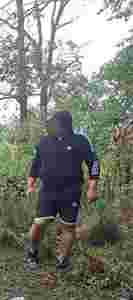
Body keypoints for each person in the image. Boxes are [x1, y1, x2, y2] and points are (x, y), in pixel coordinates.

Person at [25, 111, 100, 272]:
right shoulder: (44, 142)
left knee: (68, 227)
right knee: (40, 223)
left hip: (71, 190)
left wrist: (92, 188)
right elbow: (35, 164)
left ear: (65, 125)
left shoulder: (80, 140)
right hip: (48, 190)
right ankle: (32, 254)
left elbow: (94, 162)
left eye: (55, 124)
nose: (51, 126)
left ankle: (63, 262)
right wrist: (30, 184)